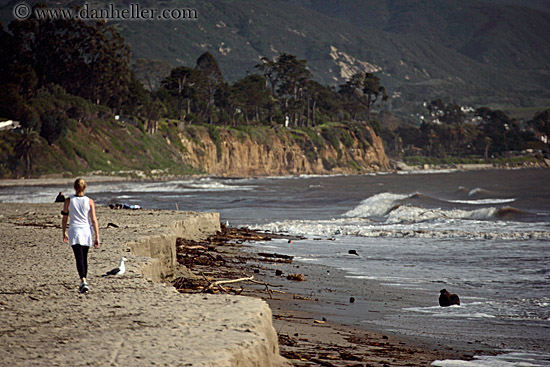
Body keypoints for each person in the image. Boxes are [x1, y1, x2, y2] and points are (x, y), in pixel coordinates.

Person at [61, 178, 100, 293]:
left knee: (79, 257)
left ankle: (83, 281)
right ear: (85, 188)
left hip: (74, 230)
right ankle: (84, 281)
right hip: (86, 231)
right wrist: (97, 236)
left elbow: (64, 218)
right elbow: (94, 220)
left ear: (74, 187)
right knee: (84, 257)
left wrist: (64, 232)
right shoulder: (89, 201)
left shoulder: (68, 201)